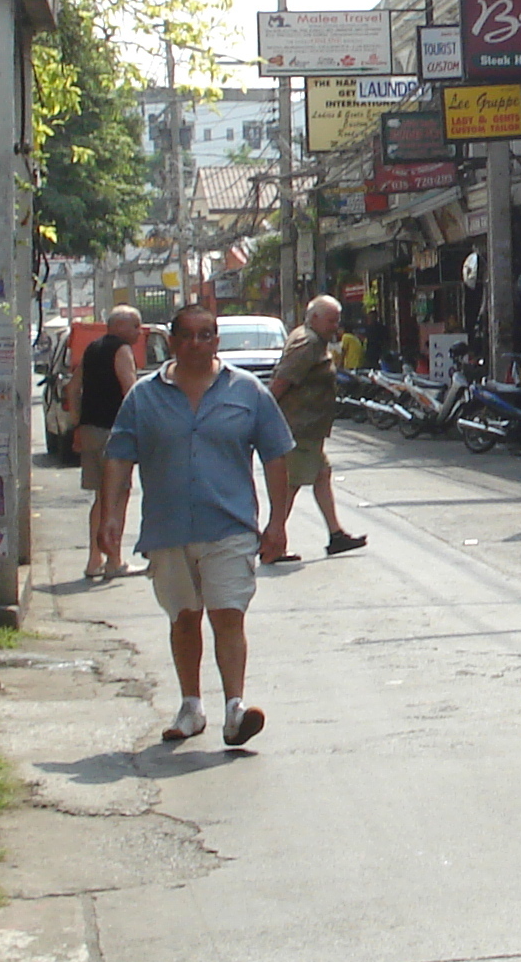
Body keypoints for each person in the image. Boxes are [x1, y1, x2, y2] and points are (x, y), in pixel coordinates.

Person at [100, 302, 297, 748]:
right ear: (171, 341)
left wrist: (277, 523)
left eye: (204, 335)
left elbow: (276, 456)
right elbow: (118, 456)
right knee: (184, 617)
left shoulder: (247, 392)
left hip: (228, 525)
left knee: (228, 613)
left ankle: (234, 708)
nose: (195, 344)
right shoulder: (144, 397)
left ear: (216, 341)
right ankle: (191, 705)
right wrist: (111, 516)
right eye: (186, 335)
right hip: (168, 528)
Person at [268, 295, 369, 560]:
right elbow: (283, 379)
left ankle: (336, 535)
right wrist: (264, 414)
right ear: (313, 319)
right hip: (299, 428)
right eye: (331, 320)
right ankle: (272, 543)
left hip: (309, 428)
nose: (335, 326)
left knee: (321, 475)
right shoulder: (308, 343)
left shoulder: (312, 339)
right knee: (289, 487)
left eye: (337, 321)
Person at [74, 306, 144, 582]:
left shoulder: (91, 349)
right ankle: (114, 560)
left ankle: (94, 560)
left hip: (90, 429)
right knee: (117, 495)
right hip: (114, 433)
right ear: (122, 327)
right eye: (136, 326)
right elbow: (131, 391)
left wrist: (78, 424)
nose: (139, 332)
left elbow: (72, 387)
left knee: (100, 497)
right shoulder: (122, 351)